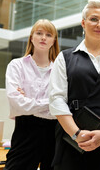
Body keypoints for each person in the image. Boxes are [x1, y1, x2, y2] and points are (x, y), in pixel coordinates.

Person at [49, 0, 100, 170]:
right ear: (83, 23)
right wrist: (76, 134)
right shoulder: (64, 57)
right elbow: (57, 99)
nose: (99, 24)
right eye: (94, 19)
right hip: (71, 139)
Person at [5, 19, 60, 170]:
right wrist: (52, 103)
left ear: (54, 40)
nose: (43, 37)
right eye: (39, 33)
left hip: (53, 130)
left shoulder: (61, 71)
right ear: (31, 37)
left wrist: (28, 102)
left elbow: (63, 103)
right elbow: (17, 103)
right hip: (25, 130)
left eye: (48, 35)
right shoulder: (16, 65)